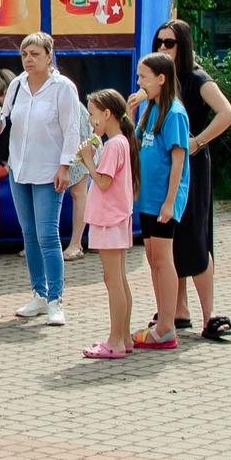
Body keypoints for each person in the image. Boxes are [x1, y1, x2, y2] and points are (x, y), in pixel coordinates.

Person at [147, 21, 231, 341]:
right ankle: (177, 310)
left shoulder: (197, 78)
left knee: (196, 237)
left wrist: (198, 142)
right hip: (166, 168)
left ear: (183, 45)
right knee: (171, 237)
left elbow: (227, 113)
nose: (162, 47)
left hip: (192, 167)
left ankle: (208, 314)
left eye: (169, 43)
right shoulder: (162, 79)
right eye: (158, 42)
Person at [0, 32, 82, 324]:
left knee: (47, 235)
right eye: (24, 54)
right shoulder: (17, 85)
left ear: (49, 55)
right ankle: (39, 295)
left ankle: (56, 300)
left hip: (49, 170)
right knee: (29, 234)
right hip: (19, 169)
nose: (29, 60)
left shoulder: (63, 88)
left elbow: (72, 129)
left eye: (34, 54)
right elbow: (2, 123)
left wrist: (65, 166)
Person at [130, 52, 192, 351]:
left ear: (161, 79)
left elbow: (178, 161)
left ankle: (168, 326)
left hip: (163, 200)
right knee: (153, 258)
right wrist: (129, 113)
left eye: (144, 76)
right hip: (147, 197)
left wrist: (170, 202)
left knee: (164, 259)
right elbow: (135, 143)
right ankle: (162, 319)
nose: (139, 82)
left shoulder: (175, 113)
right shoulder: (149, 109)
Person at [77, 89, 138, 360]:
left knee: (113, 280)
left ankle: (115, 341)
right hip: (117, 218)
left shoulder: (114, 144)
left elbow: (103, 182)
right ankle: (124, 337)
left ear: (107, 114)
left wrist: (88, 160)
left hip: (109, 220)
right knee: (118, 278)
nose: (90, 120)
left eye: (92, 114)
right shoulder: (119, 142)